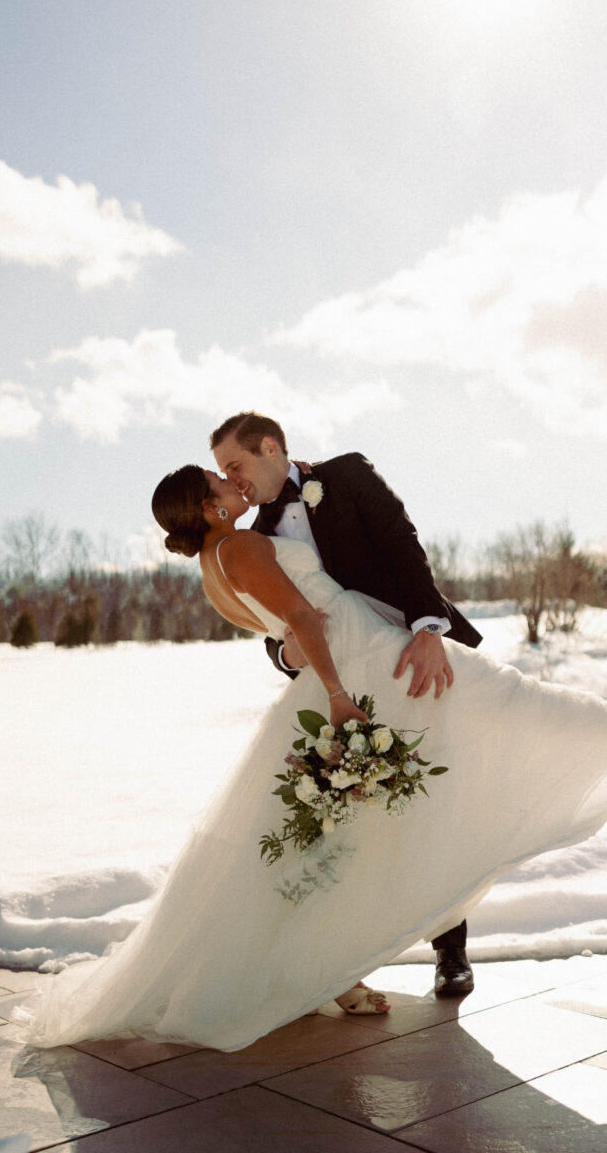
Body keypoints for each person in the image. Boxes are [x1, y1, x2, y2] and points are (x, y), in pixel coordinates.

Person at [20, 465, 607, 1053]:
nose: (232, 481)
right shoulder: (244, 544)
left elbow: (289, 625)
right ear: (208, 507)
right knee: (506, 699)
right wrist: (340, 695)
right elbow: (304, 621)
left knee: (337, 835)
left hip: (354, 662)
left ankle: (329, 971)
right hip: (367, 664)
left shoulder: (211, 569)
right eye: (218, 481)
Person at [210, 411, 481, 996]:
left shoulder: (347, 475)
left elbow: (403, 545)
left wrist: (428, 630)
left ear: (271, 447)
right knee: (356, 818)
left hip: (410, 659)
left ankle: (451, 952)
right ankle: (338, 963)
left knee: (434, 800)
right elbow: (275, 625)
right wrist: (287, 656)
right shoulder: (255, 535)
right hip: (342, 692)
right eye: (222, 473)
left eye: (235, 464)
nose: (232, 480)